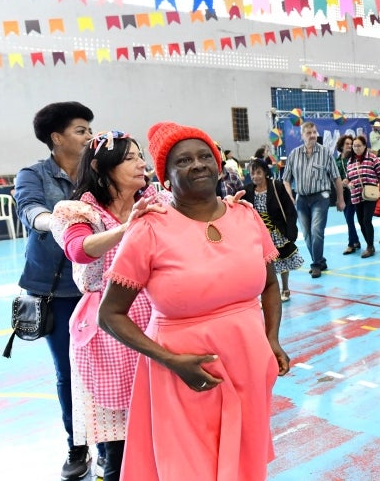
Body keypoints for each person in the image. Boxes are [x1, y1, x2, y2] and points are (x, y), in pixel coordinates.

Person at [98, 122, 290, 481]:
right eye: (183, 160)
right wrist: (171, 360)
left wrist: (272, 338)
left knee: (243, 464)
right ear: (166, 177)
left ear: (219, 165)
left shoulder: (246, 217)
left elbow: (268, 284)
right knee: (189, 469)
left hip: (248, 364)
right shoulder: (149, 229)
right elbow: (109, 315)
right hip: (185, 373)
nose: (198, 164)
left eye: (205, 156)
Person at [50, 131, 169, 481]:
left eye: (140, 156)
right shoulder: (78, 210)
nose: (141, 163)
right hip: (110, 331)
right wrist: (127, 227)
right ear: (104, 168)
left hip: (158, 320)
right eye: (131, 157)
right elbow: (79, 248)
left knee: (163, 429)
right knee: (120, 446)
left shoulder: (156, 199)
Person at [14, 101, 95, 480]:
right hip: (57, 291)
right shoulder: (32, 175)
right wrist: (57, 221)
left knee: (116, 366)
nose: (89, 136)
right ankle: (77, 446)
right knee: (67, 371)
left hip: (98, 286)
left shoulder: (97, 172)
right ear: (57, 138)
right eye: (81, 130)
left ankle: (116, 444)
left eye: (89, 129)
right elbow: (30, 209)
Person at [282, 121, 345, 278]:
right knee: (307, 234)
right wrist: (290, 196)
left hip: (321, 197)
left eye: (314, 132)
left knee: (316, 231)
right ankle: (320, 259)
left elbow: (336, 178)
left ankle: (315, 264)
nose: (312, 136)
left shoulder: (325, 153)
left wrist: (340, 199)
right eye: (309, 133)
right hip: (301, 199)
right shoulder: (294, 154)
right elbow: (286, 179)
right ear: (302, 135)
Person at [244, 158, 303, 303]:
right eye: (252, 173)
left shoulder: (276, 187)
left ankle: (285, 288)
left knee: (282, 261)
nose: (255, 176)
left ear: (265, 172)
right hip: (259, 234)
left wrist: (290, 230)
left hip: (277, 231)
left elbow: (290, 210)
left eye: (258, 172)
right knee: (263, 265)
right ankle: (268, 291)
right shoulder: (248, 190)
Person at [345, 135, 380, 258]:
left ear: (365, 146)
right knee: (360, 221)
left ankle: (370, 247)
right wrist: (348, 183)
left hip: (369, 195)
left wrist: (373, 183)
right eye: (354, 146)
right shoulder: (350, 161)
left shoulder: (372, 158)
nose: (356, 148)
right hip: (356, 195)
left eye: (359, 146)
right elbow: (349, 178)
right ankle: (369, 244)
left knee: (366, 219)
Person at [334, 134, 361, 254]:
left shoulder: (356, 159)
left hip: (356, 191)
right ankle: (355, 241)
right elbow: (335, 178)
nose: (350, 146)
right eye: (347, 144)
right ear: (341, 146)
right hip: (344, 193)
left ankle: (351, 244)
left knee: (352, 218)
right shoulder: (336, 161)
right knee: (348, 219)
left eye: (351, 144)